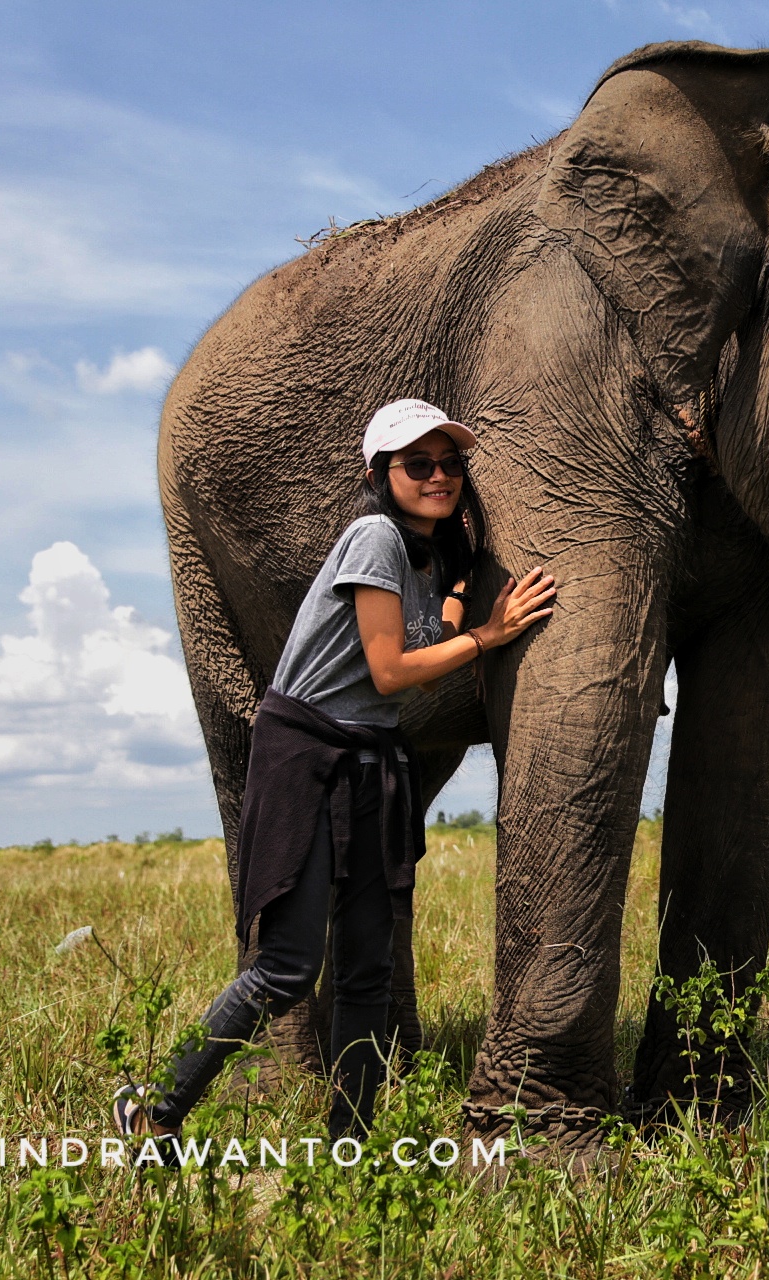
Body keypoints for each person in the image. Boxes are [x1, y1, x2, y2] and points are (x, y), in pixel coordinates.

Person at [114, 398, 555, 1149]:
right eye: (419, 463)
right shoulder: (373, 537)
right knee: (286, 967)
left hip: (370, 759)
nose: (440, 476)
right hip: (309, 759)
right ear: (380, 473)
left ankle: (348, 1142)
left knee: (367, 973)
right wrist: (491, 633)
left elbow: (414, 666)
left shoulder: (416, 556)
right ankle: (154, 1107)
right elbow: (390, 672)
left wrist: (455, 595)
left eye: (451, 463)